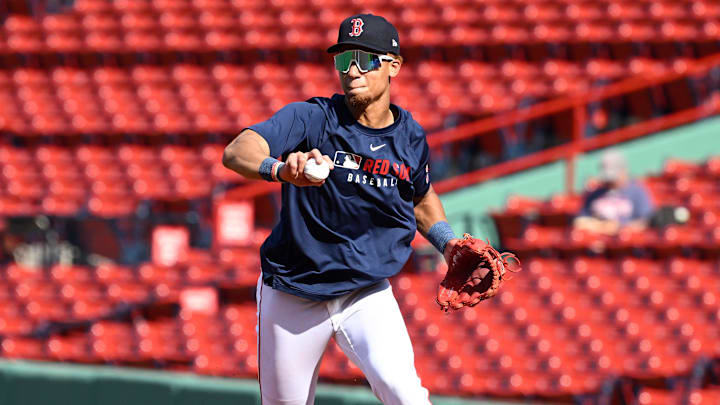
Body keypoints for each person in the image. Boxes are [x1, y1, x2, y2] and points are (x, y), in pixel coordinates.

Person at [222, 14, 460, 405]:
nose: (352, 70)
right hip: (294, 290)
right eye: (343, 59)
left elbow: (419, 197)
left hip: (364, 292)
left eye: (366, 59)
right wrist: (280, 170)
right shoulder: (313, 118)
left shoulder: (411, 136)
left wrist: (448, 244)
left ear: (394, 66)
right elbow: (237, 151)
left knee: (407, 396)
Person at [573, 149, 655, 235]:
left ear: (623, 171)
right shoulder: (595, 193)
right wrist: (603, 227)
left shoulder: (637, 191)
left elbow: (647, 222)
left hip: (627, 245)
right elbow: (580, 222)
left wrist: (618, 228)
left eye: (613, 177)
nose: (610, 181)